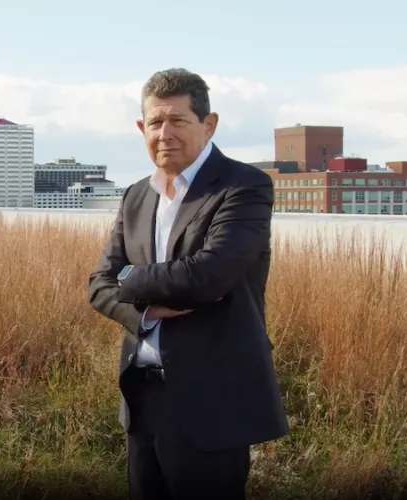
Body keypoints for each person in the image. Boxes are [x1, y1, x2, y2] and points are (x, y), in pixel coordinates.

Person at [87, 68, 289, 500]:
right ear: (142, 128)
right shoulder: (136, 195)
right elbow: (98, 286)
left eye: (178, 120)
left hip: (211, 401)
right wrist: (143, 311)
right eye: (155, 122)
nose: (165, 133)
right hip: (143, 399)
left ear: (208, 124)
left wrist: (129, 278)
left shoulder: (243, 186)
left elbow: (207, 276)